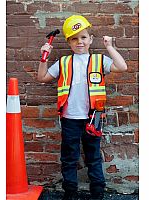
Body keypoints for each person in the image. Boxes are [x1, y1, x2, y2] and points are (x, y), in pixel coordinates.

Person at [37, 15, 127, 200]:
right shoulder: (63, 62)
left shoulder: (99, 60)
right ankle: (70, 192)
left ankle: (97, 193)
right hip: (69, 119)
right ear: (69, 42)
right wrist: (43, 58)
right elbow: (43, 77)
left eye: (83, 37)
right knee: (69, 158)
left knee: (93, 157)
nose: (80, 42)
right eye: (74, 39)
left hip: (93, 118)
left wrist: (109, 47)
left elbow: (122, 67)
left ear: (91, 39)